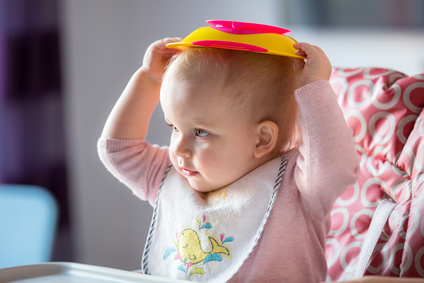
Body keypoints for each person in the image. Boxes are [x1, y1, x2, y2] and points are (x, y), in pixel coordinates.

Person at [97, 35, 359, 282]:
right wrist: (147, 81)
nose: (179, 149)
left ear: (262, 139)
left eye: (200, 132)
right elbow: (118, 151)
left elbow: (336, 168)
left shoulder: (296, 187)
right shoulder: (174, 176)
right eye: (174, 128)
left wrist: (314, 88)